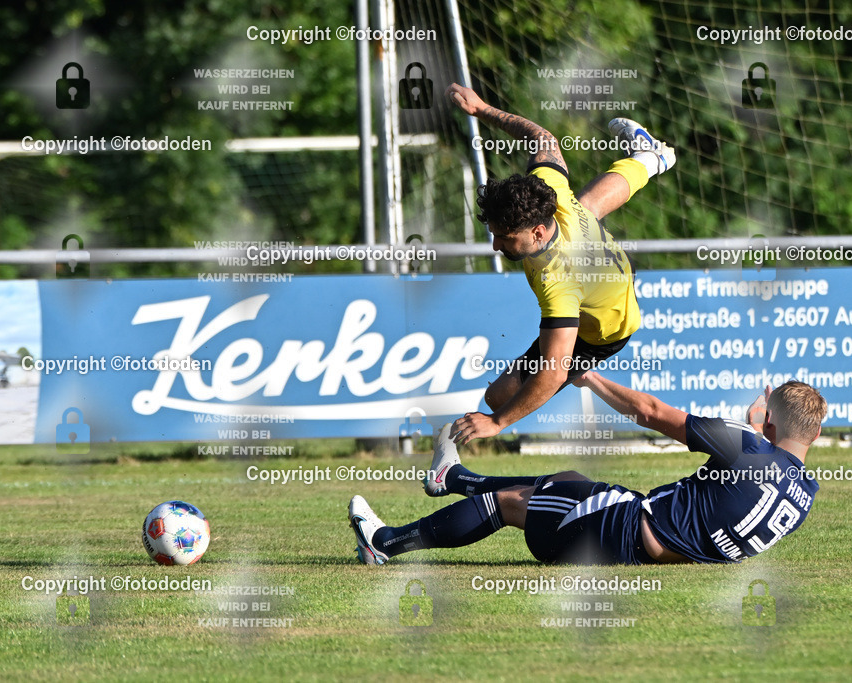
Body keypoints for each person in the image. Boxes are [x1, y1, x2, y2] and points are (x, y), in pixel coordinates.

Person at [349, 375, 828, 566]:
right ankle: (451, 479)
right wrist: (757, 430)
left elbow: (650, 410)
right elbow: (754, 481)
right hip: (660, 547)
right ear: (816, 435)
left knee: (510, 504)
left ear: (767, 421)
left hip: (627, 528)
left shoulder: (746, 447)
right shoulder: (805, 491)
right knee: (568, 482)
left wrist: (587, 375)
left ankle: (384, 543)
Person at [444, 83, 675, 447]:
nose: (495, 244)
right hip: (598, 260)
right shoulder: (546, 194)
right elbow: (540, 136)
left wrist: (496, 421)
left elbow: (551, 373)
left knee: (499, 396)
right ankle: (649, 158)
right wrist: (482, 109)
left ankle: (585, 372)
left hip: (605, 328)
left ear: (537, 232)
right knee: (584, 205)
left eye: (505, 238)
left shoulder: (559, 283)